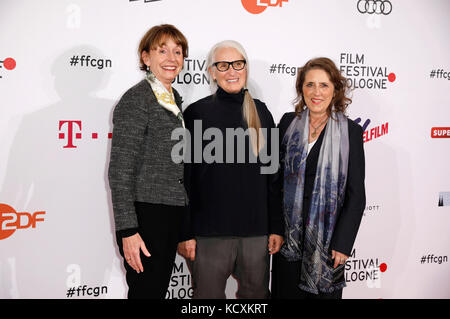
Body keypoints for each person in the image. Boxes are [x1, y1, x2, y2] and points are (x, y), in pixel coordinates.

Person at [177, 40, 284, 299]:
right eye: (222, 65)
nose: (231, 71)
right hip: (208, 234)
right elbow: (183, 179)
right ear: (212, 72)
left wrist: (276, 227)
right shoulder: (195, 113)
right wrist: (185, 231)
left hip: (256, 234)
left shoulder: (262, 112)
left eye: (238, 64)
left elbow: (273, 177)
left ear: (246, 68)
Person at [271, 57, 366, 299]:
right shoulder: (286, 124)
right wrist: (276, 229)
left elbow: (356, 196)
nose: (316, 92)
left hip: (328, 244)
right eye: (309, 84)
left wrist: (343, 244)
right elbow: (274, 183)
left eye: (324, 85)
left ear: (335, 90)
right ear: (301, 89)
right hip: (288, 243)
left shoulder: (350, 133)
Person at [108, 24, 188, 299]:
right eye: (162, 50)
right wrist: (128, 230)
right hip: (145, 218)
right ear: (146, 58)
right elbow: (119, 171)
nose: (171, 58)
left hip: (168, 213)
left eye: (177, 52)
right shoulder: (137, 99)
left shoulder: (174, 100)